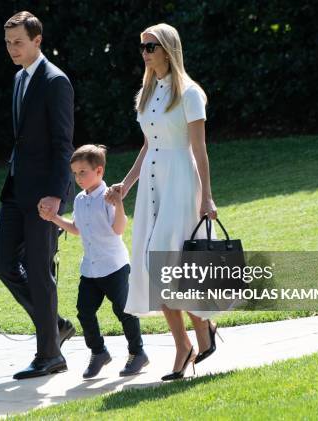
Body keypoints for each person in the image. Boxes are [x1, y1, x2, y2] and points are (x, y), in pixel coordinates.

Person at [106, 23, 222, 381]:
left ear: (169, 48)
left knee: (169, 265)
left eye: (151, 46)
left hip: (181, 183)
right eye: (142, 47)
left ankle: (199, 334)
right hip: (153, 187)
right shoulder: (147, 91)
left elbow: (199, 149)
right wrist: (125, 185)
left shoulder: (189, 93)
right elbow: (148, 146)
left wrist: (207, 195)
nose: (145, 53)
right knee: (155, 266)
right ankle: (189, 341)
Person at [0, 11, 75, 380]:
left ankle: (49, 354)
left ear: (37, 40)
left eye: (18, 42)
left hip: (44, 197)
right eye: (9, 42)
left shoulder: (55, 81)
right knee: (1, 265)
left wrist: (57, 196)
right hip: (15, 191)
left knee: (41, 274)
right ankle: (54, 325)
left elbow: (63, 146)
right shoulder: (17, 79)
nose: (12, 48)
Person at [41, 145, 149, 379]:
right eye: (75, 173)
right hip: (90, 269)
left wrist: (119, 204)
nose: (78, 178)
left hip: (114, 266)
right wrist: (53, 218)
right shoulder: (80, 199)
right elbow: (77, 229)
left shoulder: (109, 196)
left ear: (98, 171)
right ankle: (99, 352)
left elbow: (118, 229)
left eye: (83, 172)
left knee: (124, 311)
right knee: (84, 311)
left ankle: (138, 353)